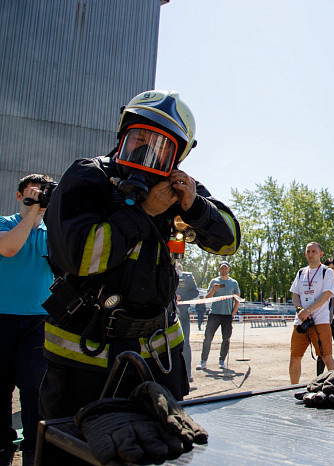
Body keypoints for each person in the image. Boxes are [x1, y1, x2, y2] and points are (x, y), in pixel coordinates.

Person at [38, 90, 241, 420]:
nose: (146, 150)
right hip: (85, 360)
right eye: (139, 137)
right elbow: (81, 258)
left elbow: (229, 240)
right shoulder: (88, 177)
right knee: (76, 450)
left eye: (160, 146)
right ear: (122, 135)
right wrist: (145, 211)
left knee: (166, 447)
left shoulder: (178, 188)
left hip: (160, 357)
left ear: (177, 158)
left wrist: (195, 207)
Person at [0, 174, 54, 465]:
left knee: (34, 388)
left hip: (37, 322)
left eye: (45, 194)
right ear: (19, 195)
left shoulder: (52, 232)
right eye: (34, 193)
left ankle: (34, 450)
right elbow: (9, 248)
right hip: (2, 318)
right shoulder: (4, 223)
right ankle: (3, 447)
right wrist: (32, 210)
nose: (41, 199)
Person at [289, 242, 334, 383]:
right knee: (294, 357)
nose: (311, 254)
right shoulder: (301, 272)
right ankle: (292, 388)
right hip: (301, 321)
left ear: (321, 254)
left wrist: (308, 310)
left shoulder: (326, 271)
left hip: (320, 320)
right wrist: (300, 311)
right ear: (305, 254)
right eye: (308, 251)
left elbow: (326, 295)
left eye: (314, 251)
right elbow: (295, 295)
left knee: (326, 356)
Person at [197, 261, 240, 370]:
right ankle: (203, 361)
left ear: (229, 269)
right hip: (214, 314)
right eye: (222, 268)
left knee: (226, 338)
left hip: (227, 315)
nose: (224, 270)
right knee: (208, 337)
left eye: (225, 268)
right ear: (219, 269)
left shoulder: (233, 283)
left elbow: (237, 299)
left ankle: (222, 361)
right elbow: (207, 297)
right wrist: (213, 289)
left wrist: (234, 312)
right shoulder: (214, 281)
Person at [175, 261, 199, 382]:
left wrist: (181, 297)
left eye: (178, 267)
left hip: (183, 314)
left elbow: (195, 292)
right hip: (167, 315)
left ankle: (187, 374)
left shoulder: (188, 277)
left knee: (185, 344)